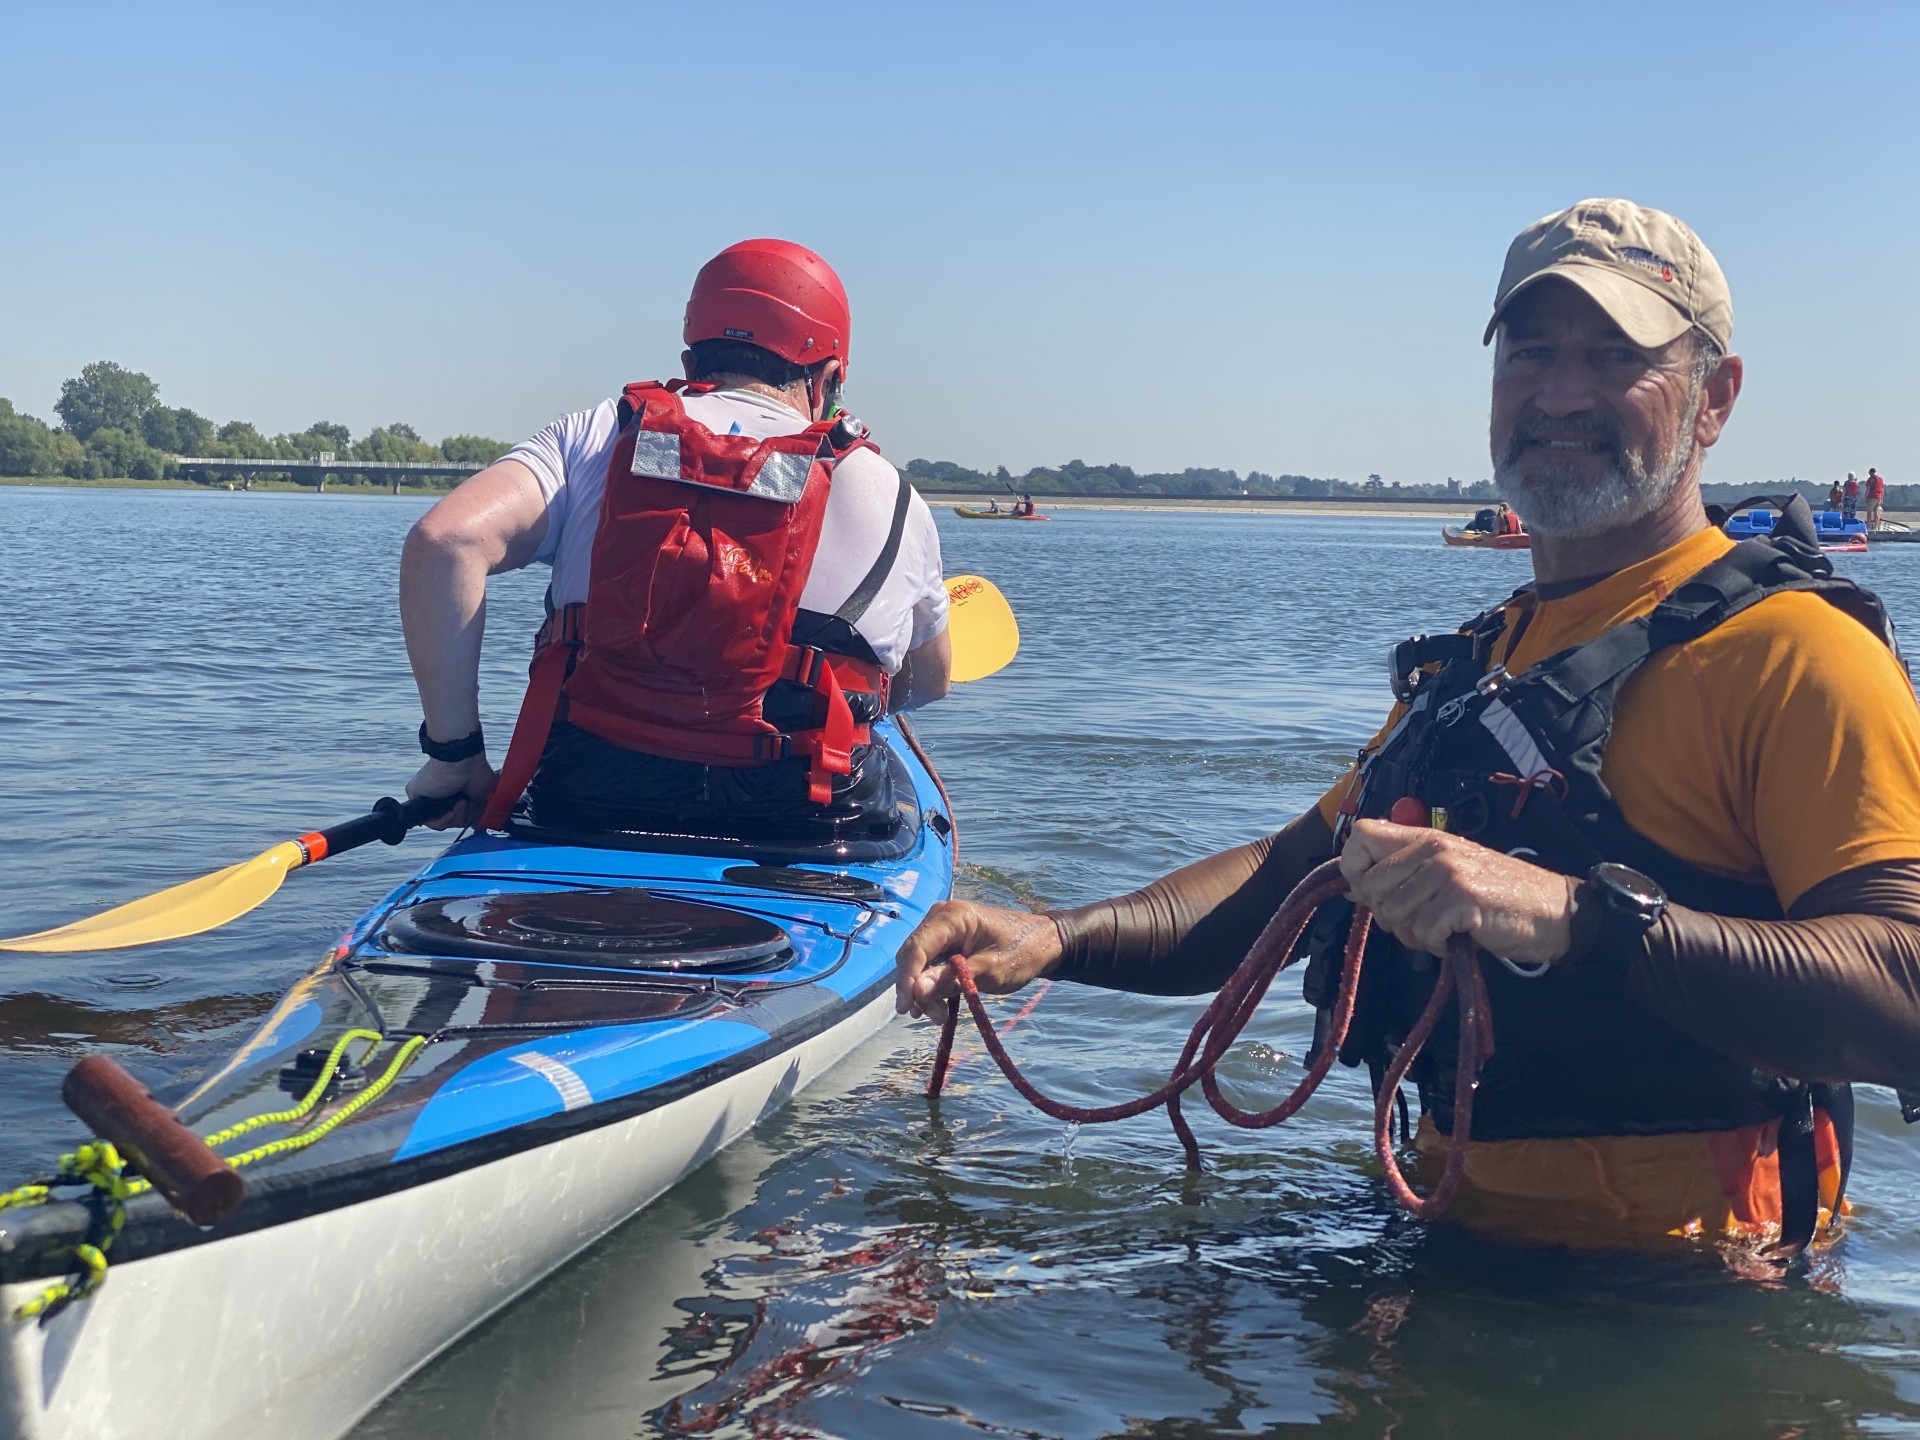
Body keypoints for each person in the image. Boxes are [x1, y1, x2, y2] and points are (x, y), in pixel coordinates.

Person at [894, 198, 1920, 1250]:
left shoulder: (1797, 657)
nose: (1560, 393)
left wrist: (1577, 917)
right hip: (1438, 1236)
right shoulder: (1483, 663)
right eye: (1531, 353)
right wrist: (1057, 937)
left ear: (1716, 398)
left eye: (1617, 356)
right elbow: (1288, 873)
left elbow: (1906, 984)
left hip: (1691, 1304)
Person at [402, 238, 953, 838]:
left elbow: (445, 543)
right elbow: (928, 681)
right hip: (809, 824)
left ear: (692, 362)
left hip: (588, 800)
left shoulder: (601, 433)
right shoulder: (891, 493)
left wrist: (455, 759)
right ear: (830, 378)